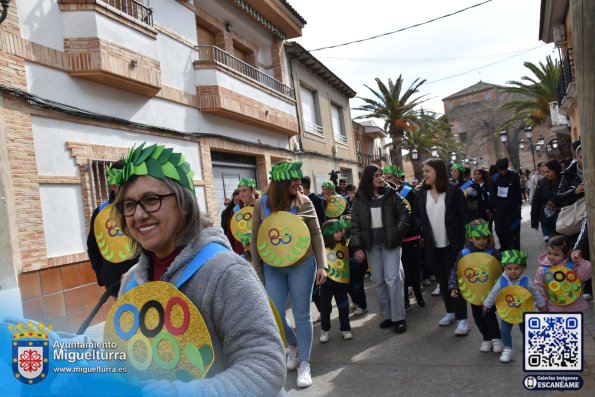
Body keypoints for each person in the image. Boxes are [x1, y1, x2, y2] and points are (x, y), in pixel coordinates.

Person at [110, 143, 285, 396]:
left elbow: (265, 367)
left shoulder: (227, 272)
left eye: (151, 200)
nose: (138, 215)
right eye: (129, 205)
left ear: (183, 203)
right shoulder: (131, 281)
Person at [251, 160, 327, 388]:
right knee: (273, 311)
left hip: (302, 264)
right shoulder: (261, 204)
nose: (298, 182)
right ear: (281, 181)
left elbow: (316, 234)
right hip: (272, 267)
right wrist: (257, 270)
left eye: (298, 178)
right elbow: (255, 239)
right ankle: (292, 345)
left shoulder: (304, 203)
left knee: (302, 314)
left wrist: (322, 264)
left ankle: (305, 362)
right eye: (293, 179)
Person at [350, 164, 411, 333]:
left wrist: (396, 233)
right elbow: (354, 224)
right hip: (372, 246)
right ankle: (388, 316)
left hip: (390, 243)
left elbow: (405, 213)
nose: (380, 178)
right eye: (376, 175)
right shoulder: (359, 198)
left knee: (393, 279)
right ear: (369, 178)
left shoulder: (391, 194)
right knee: (378, 281)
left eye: (381, 175)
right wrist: (357, 247)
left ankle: (399, 318)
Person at [414, 159, 469, 335]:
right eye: (424, 171)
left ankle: (462, 319)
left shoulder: (454, 192)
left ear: (438, 171)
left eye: (427, 170)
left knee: (456, 283)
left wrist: (467, 243)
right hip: (432, 246)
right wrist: (421, 227)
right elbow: (416, 216)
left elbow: (465, 218)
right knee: (442, 281)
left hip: (453, 245)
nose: (425, 174)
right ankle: (450, 312)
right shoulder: (421, 194)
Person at [448, 220, 503, 352]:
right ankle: (486, 338)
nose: (481, 241)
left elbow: (502, 270)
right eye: (477, 238)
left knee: (488, 315)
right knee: (477, 317)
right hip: (474, 293)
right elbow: (457, 270)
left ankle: (496, 338)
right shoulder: (464, 254)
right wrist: (453, 286)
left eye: (484, 238)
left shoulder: (493, 253)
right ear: (470, 238)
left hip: (490, 292)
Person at [483, 249, 546, 363]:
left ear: (523, 268)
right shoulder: (502, 280)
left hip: (524, 311)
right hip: (508, 311)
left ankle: (530, 347)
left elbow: (535, 292)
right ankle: (508, 349)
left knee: (526, 329)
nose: (513, 271)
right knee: (504, 330)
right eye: (509, 268)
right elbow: (494, 292)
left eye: (516, 268)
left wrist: (541, 305)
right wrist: (488, 304)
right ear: (504, 268)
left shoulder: (526, 281)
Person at [87, 160, 137, 297]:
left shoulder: (139, 207)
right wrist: (102, 276)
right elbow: (93, 248)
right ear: (114, 186)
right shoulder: (101, 212)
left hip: (142, 279)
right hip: (115, 284)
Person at [384, 165, 425, 308]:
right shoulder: (384, 193)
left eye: (389, 177)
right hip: (395, 239)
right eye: (384, 178)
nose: (386, 180)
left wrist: (418, 231)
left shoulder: (409, 192)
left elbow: (417, 214)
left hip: (411, 237)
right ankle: (405, 300)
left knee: (413, 269)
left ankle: (419, 295)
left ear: (396, 177)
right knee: (400, 272)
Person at [534, 235, 592, 312]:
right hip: (552, 308)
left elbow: (584, 276)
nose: (551, 257)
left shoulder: (573, 265)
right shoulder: (543, 269)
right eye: (549, 253)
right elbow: (539, 288)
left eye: (556, 254)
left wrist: (581, 262)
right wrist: (542, 304)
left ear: (566, 254)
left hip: (574, 307)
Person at [319, 219, 353, 343]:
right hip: (326, 282)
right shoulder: (322, 247)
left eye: (340, 231)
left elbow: (350, 224)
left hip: (341, 282)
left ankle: (345, 329)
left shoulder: (345, 243)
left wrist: (340, 223)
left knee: (343, 306)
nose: (340, 233)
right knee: (325, 308)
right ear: (328, 234)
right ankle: (325, 330)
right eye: (336, 232)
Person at [490, 158, 522, 250]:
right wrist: (494, 207)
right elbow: (493, 194)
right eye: (500, 170)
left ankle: (515, 250)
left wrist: (518, 205)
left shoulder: (514, 176)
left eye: (504, 169)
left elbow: (518, 191)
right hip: (499, 209)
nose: (502, 171)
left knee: (514, 230)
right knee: (499, 230)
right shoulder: (494, 178)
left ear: (507, 167)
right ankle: (504, 248)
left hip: (513, 208)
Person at [530, 160, 562, 243]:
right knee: (551, 244)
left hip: (564, 218)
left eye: (548, 172)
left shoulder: (565, 180)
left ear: (555, 170)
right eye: (544, 172)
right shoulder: (541, 183)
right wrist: (534, 221)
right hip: (547, 220)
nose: (546, 174)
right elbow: (536, 202)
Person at [224, 179, 257, 256]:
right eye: (239, 191)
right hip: (241, 254)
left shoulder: (262, 206)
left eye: (244, 190)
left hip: (261, 252)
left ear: (253, 190)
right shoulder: (236, 210)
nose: (241, 194)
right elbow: (230, 234)